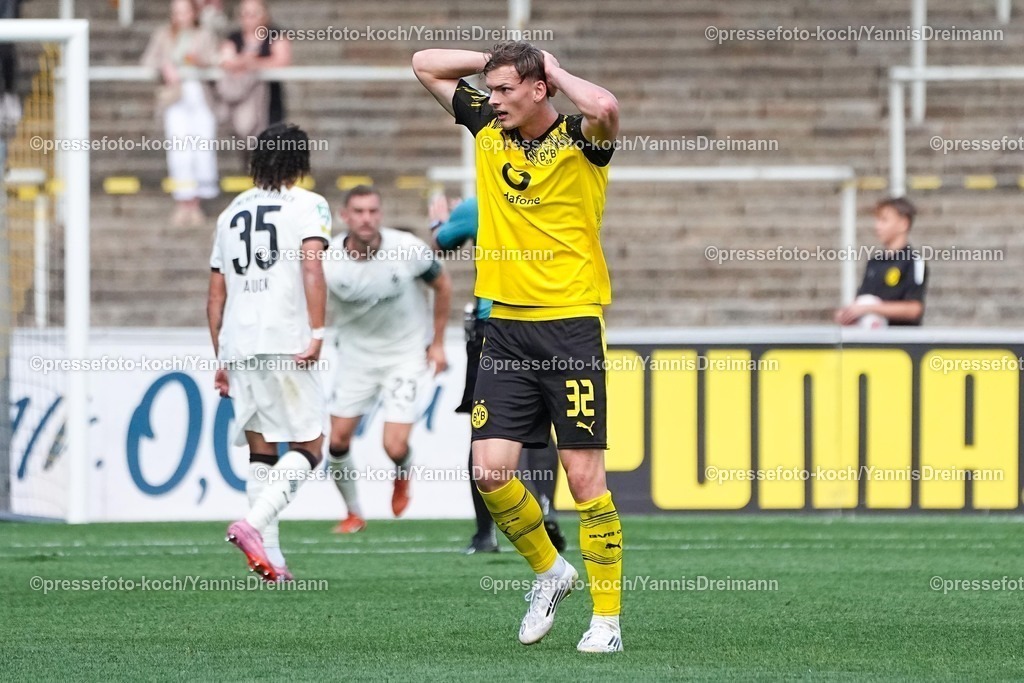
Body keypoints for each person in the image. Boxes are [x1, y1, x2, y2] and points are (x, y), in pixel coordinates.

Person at [413, 41, 624, 653]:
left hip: (570, 326)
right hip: (503, 327)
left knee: (584, 480)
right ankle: (550, 572)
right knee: (490, 471)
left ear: (539, 90)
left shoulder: (583, 141)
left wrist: (550, 67)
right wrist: (496, 60)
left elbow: (605, 104)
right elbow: (424, 64)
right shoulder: (486, 121)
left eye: (507, 89)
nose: (493, 99)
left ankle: (606, 621)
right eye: (491, 89)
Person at [208, 123, 332, 582]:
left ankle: (274, 562)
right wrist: (317, 331)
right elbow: (312, 267)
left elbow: (214, 294)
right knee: (310, 445)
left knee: (262, 452)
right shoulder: (308, 205)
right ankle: (252, 525)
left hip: (239, 344)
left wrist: (220, 357)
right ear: (300, 161)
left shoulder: (230, 213)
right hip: (285, 339)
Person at [428, 194, 567, 556]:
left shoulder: (478, 204)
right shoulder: (555, 196)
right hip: (550, 320)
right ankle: (545, 504)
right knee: (543, 427)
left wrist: (440, 222)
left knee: (484, 431)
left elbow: (442, 245)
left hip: (496, 327)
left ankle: (485, 532)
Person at [324, 186, 452, 533]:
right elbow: (308, 301)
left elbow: (442, 285)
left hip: (404, 356)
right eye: (359, 212)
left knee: (393, 445)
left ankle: (402, 471)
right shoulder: (327, 259)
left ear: (380, 214)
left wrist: (437, 343)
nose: (367, 219)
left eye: (373, 211)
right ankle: (353, 512)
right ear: (345, 216)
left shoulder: (408, 249)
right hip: (355, 358)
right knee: (336, 442)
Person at [141, 0, 221, 227]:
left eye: (185, 11)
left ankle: (195, 203)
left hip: (200, 95)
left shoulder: (205, 35)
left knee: (202, 148)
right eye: (176, 12)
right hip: (176, 97)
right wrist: (164, 67)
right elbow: (148, 61)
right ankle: (183, 202)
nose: (181, 16)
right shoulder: (163, 35)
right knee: (180, 148)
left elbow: (216, 61)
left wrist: (201, 62)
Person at [834, 196, 926, 327]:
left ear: (903, 224)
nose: (877, 226)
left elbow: (914, 309)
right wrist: (848, 314)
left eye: (884, 220)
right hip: (872, 343)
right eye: (877, 220)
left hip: (900, 343)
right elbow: (863, 301)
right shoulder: (874, 262)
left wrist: (870, 308)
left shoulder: (913, 261)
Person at [220, 0, 291, 139]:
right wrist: (249, 62)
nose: (249, 18)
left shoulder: (275, 35)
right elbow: (225, 60)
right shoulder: (234, 37)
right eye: (245, 14)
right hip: (241, 100)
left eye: (254, 13)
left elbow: (282, 60)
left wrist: (249, 63)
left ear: (265, 14)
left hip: (270, 100)